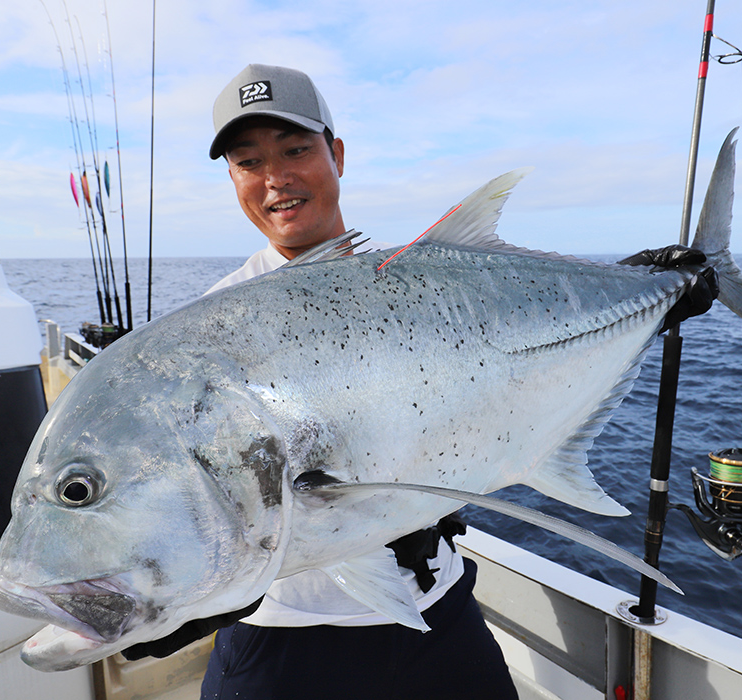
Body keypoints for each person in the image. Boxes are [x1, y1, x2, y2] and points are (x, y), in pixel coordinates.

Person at [199, 63, 519, 700]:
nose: (276, 179)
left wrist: (652, 297)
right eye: (248, 161)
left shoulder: (425, 288)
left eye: (295, 150)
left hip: (439, 609)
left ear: (335, 154)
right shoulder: (215, 331)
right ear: (232, 179)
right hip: (287, 638)